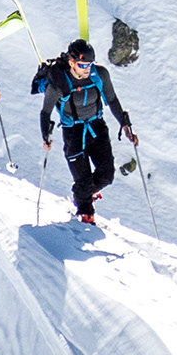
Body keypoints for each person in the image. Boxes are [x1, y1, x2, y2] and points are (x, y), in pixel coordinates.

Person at [35, 37, 138, 227]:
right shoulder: (58, 83)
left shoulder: (100, 75)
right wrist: (46, 135)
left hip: (97, 127)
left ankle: (83, 194)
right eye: (82, 65)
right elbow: (46, 112)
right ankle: (84, 217)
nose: (87, 68)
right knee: (82, 180)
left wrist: (125, 126)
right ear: (71, 62)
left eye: (89, 64)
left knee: (106, 175)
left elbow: (112, 100)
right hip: (73, 132)